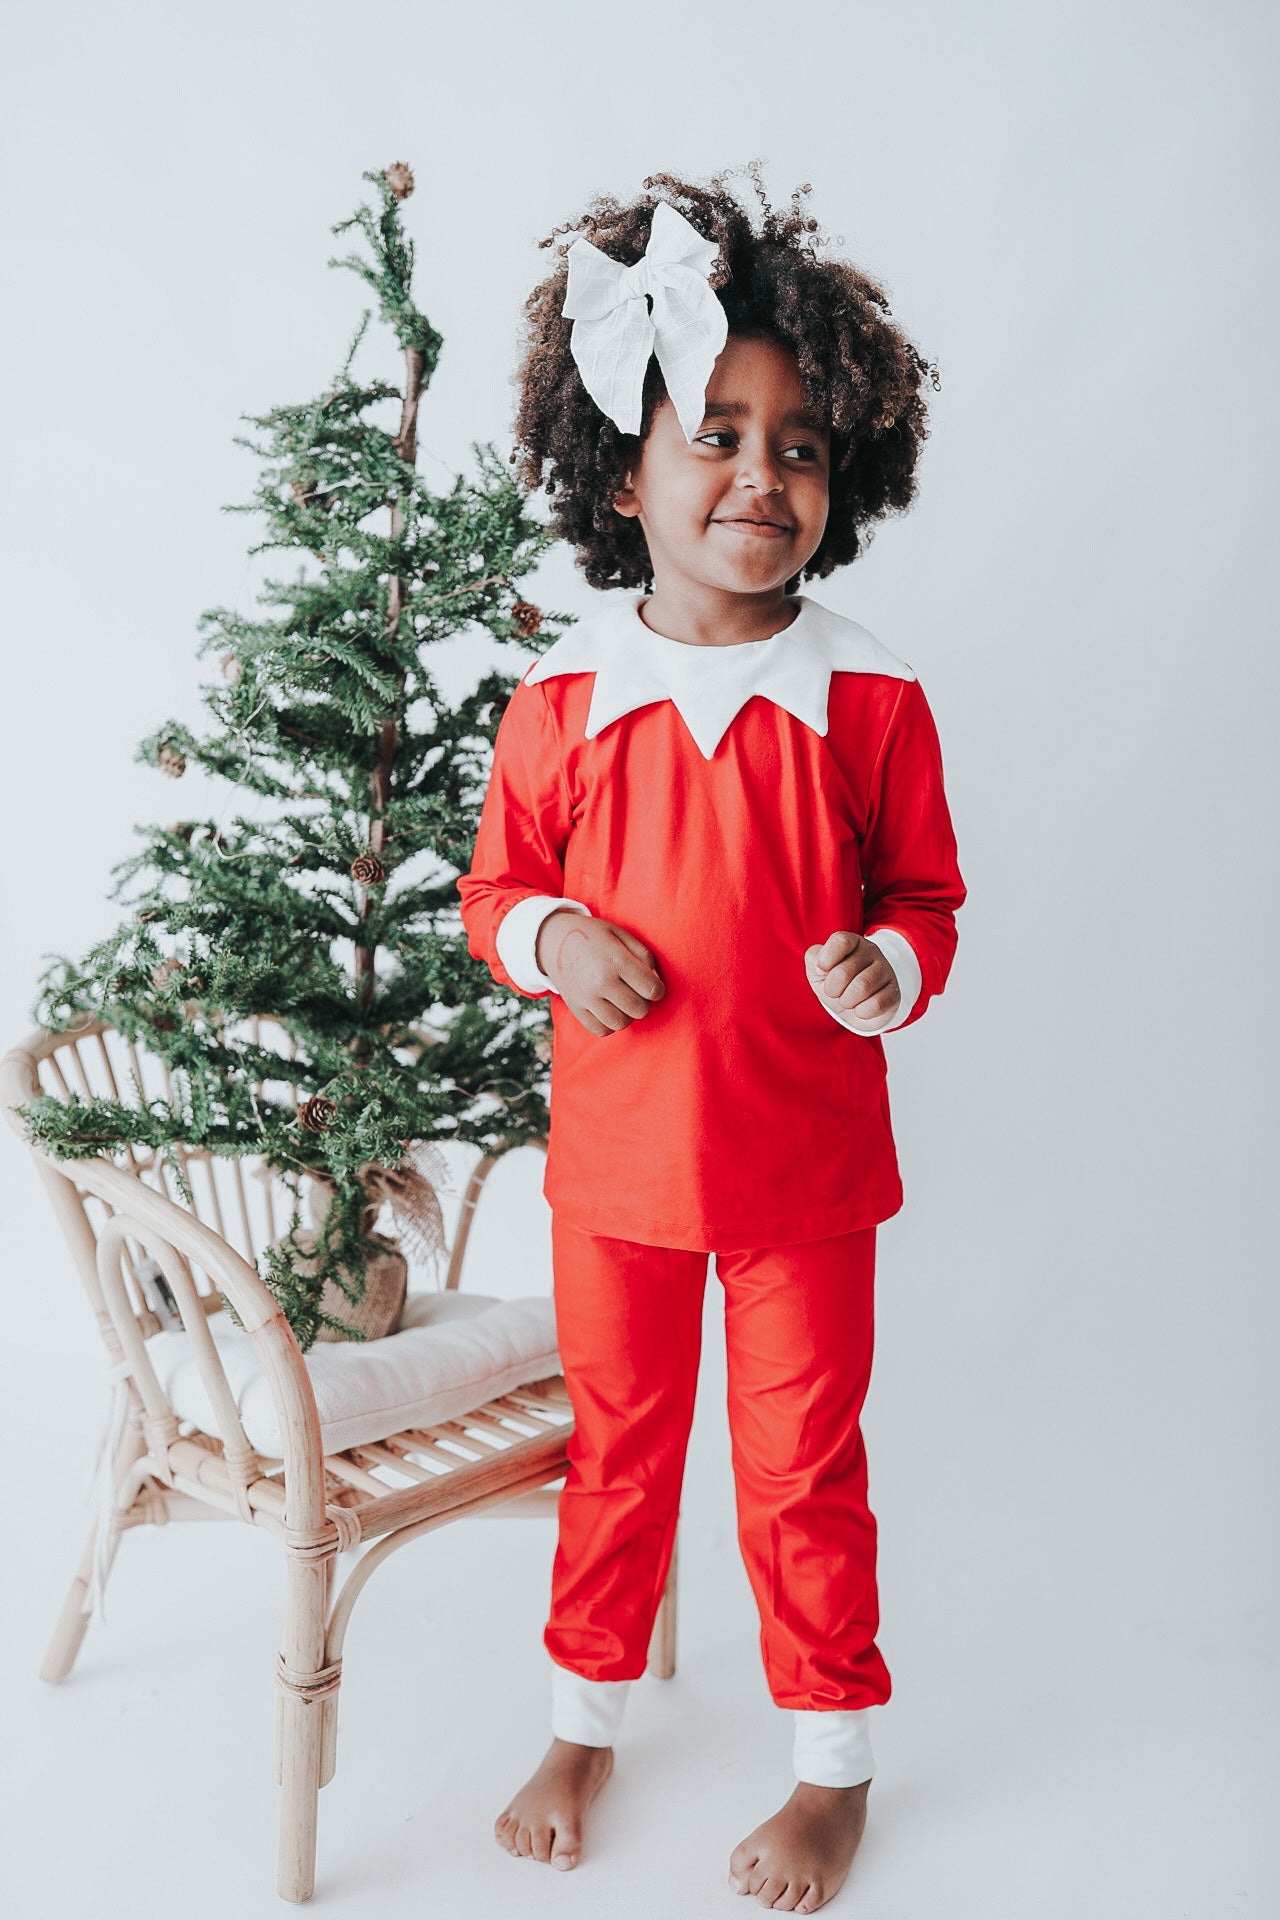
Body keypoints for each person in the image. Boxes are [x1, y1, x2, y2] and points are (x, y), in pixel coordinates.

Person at [456, 163, 967, 1914]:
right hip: (613, 1172)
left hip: (807, 1175)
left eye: (803, 446)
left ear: (845, 478)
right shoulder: (568, 699)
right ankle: (586, 1717)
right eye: (718, 436)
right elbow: (497, 890)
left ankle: (834, 1764)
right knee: (619, 1452)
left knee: (803, 1472)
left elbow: (926, 900)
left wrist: (892, 969)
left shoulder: (872, 694)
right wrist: (555, 934)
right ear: (625, 472)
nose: (764, 477)